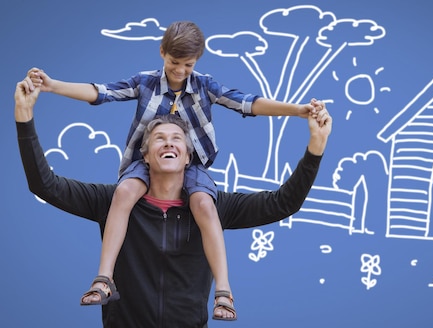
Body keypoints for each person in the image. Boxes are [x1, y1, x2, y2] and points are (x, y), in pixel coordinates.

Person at [27, 20, 318, 319]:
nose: (179, 71)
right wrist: (52, 86)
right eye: (174, 62)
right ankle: (104, 278)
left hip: (191, 168)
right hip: (144, 164)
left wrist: (297, 110)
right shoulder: (146, 83)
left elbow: (249, 104)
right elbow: (100, 93)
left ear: (198, 61)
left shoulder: (205, 86)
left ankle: (224, 292)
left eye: (188, 65)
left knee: (205, 203)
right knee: (125, 191)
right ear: (162, 52)